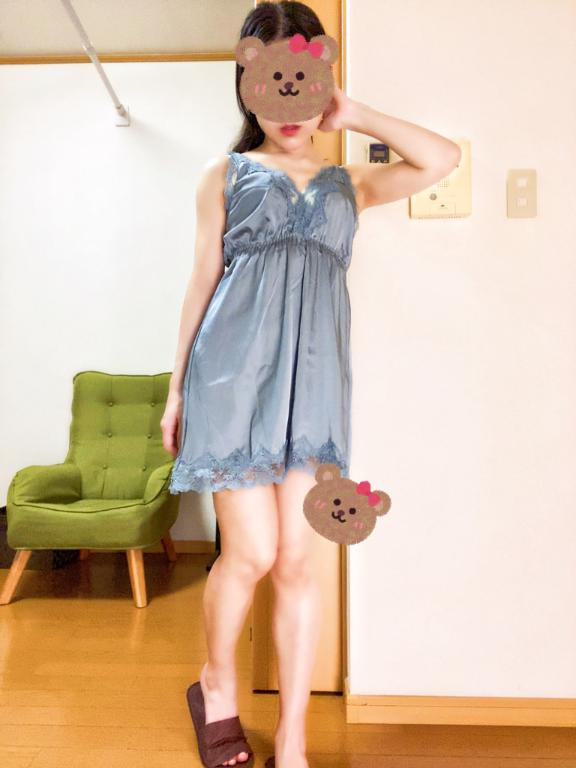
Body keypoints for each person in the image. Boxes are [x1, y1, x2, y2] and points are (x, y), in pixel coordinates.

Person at [161, 3, 460, 767]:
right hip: (230, 381)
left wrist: (353, 113)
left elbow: (441, 158)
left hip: (313, 391)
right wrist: (176, 391)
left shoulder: (347, 182)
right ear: (247, 84)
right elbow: (202, 281)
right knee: (252, 553)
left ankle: (292, 738)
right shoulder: (225, 174)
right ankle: (216, 684)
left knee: (300, 560)